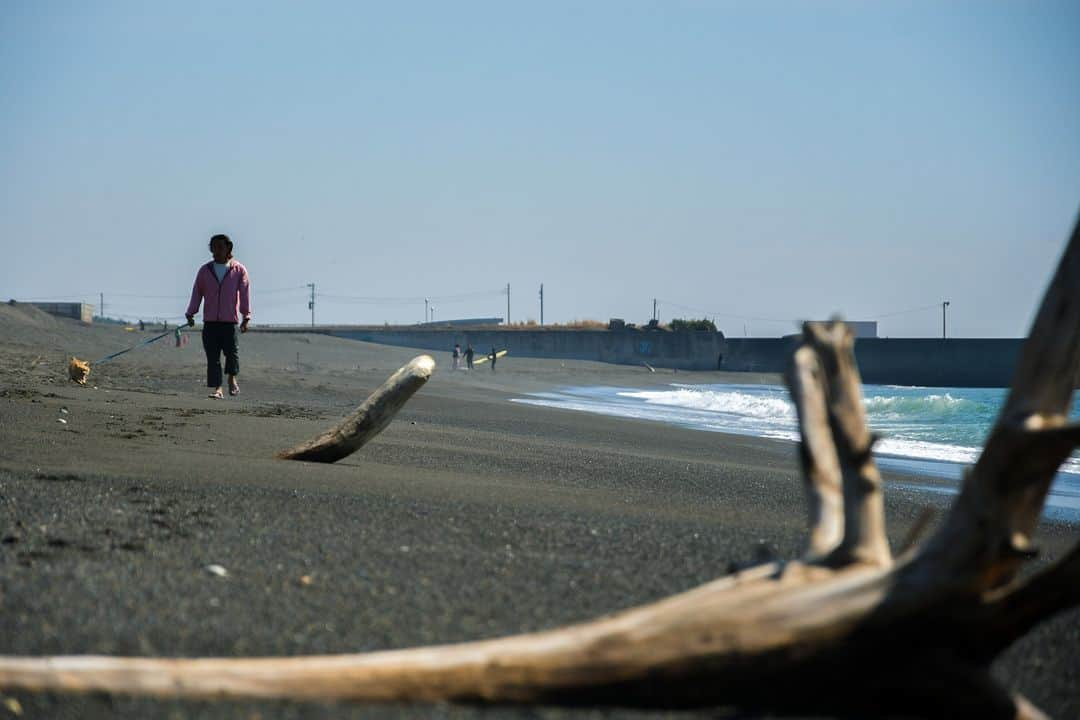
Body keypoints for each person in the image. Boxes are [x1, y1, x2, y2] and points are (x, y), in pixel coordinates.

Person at [185, 233, 251, 399]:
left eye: (220, 247)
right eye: (214, 247)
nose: (217, 250)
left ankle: (232, 379)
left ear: (228, 248)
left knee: (232, 354)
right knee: (213, 357)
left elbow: (244, 294)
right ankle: (218, 389)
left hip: (230, 322)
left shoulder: (238, 270)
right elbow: (197, 292)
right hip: (210, 322)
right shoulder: (205, 270)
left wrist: (246, 317)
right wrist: (191, 313)